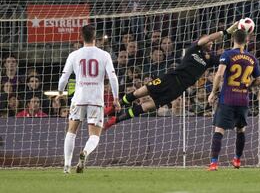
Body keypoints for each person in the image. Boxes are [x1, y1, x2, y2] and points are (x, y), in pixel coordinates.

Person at [103, 22, 240, 129]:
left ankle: (115, 120)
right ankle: (114, 107)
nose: (210, 42)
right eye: (207, 40)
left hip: (178, 89)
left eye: (211, 42)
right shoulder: (193, 49)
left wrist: (238, 43)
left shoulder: (210, 60)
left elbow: (227, 57)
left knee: (146, 107)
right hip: (169, 78)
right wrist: (225, 32)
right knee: (139, 93)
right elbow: (209, 37)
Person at [58, 24, 120, 174]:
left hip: (78, 98)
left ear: (81, 37)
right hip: (96, 100)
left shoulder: (74, 55)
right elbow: (113, 77)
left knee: (71, 131)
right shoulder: (104, 55)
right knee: (94, 135)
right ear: (95, 37)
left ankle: (67, 166)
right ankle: (85, 152)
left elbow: (64, 77)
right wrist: (116, 98)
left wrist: (60, 91)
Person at [207, 29, 260, 171]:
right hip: (243, 100)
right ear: (247, 41)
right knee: (241, 130)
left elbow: (219, 74)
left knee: (219, 130)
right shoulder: (252, 58)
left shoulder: (227, 55)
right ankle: (237, 160)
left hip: (227, 98)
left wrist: (213, 92)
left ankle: (214, 163)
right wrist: (248, 85)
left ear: (233, 39)